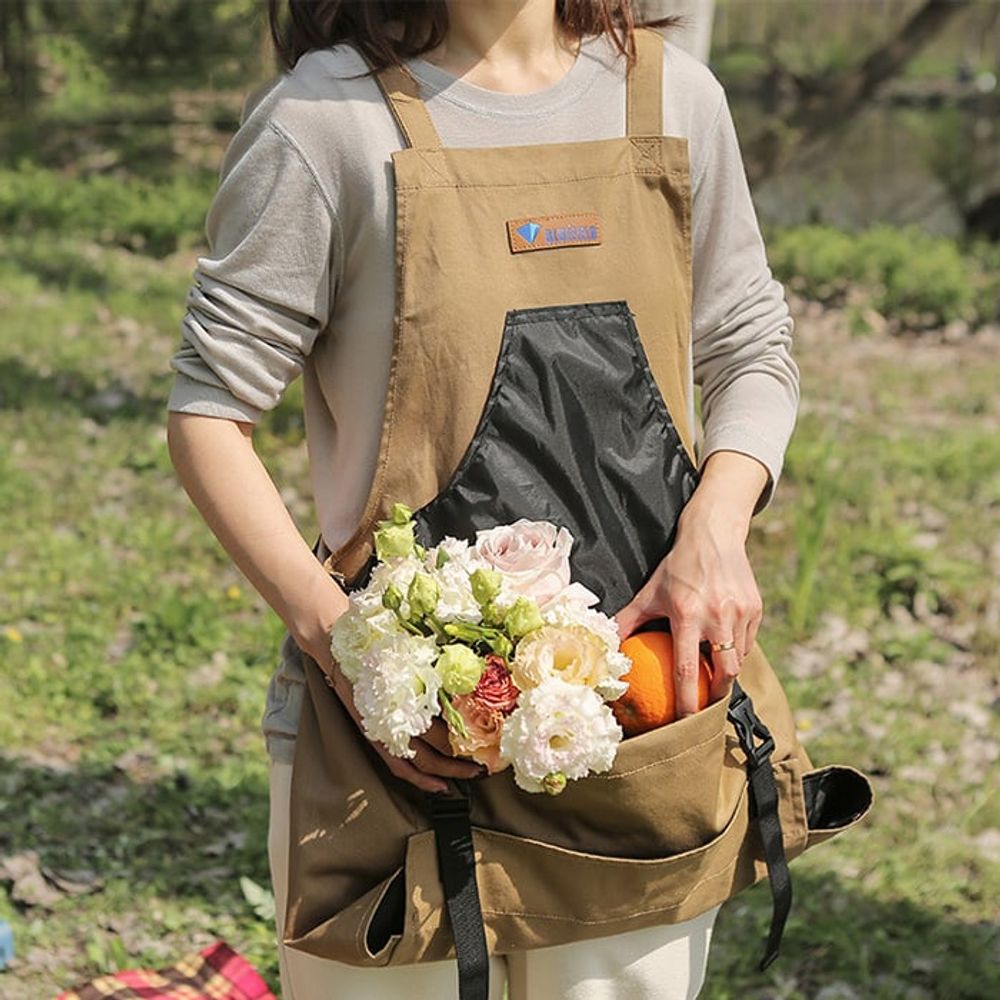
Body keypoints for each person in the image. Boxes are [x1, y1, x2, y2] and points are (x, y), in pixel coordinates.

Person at [166, 2, 799, 997]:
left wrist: (717, 529)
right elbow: (208, 414)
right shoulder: (325, 121)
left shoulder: (675, 97)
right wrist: (349, 656)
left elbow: (750, 345)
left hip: (641, 730)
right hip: (396, 755)